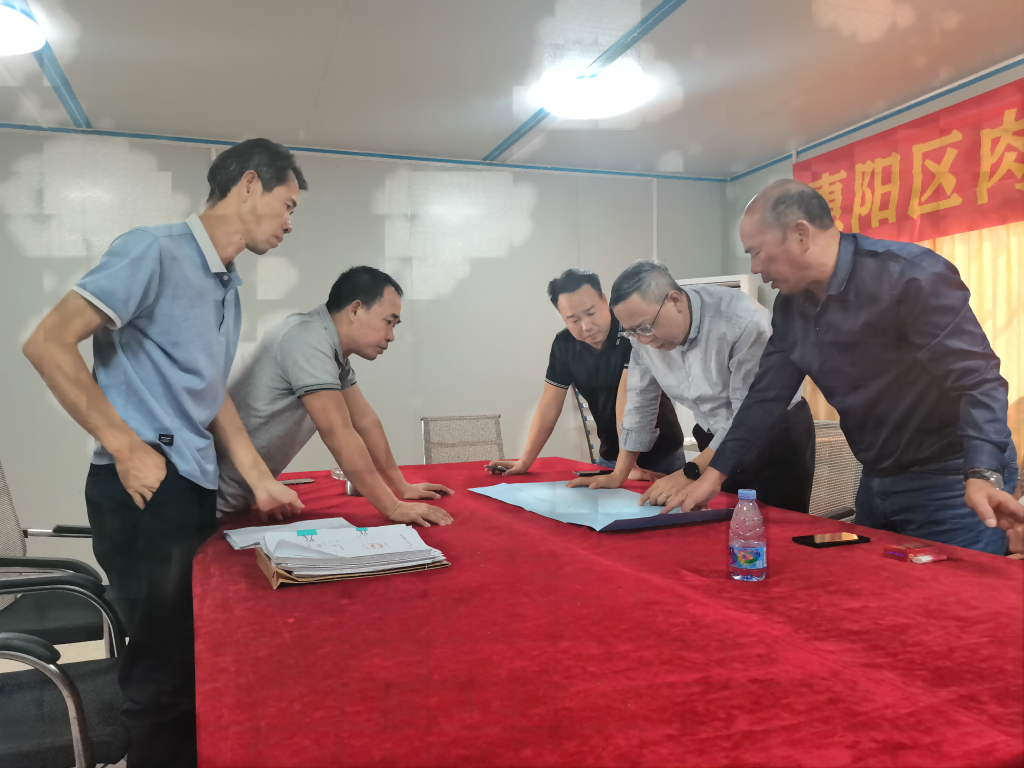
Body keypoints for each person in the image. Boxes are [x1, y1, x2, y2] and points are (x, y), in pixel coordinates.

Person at [22, 138, 308, 767]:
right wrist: (126, 447)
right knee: (162, 673)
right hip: (145, 488)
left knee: (193, 656)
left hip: (189, 485)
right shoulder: (152, 249)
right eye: (288, 204)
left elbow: (209, 393)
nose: (290, 222)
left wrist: (259, 478)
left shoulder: (226, 285)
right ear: (250, 184)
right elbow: (48, 342)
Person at [673, 179, 1022, 555]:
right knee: (867, 584)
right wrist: (715, 474)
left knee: (954, 591)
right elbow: (766, 396)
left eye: (758, 252)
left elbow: (978, 380)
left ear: (801, 234)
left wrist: (982, 471)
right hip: (875, 477)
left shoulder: (910, 275)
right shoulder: (792, 307)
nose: (756, 268)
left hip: (952, 481)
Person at [569, 260, 815, 514]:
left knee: (775, 529)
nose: (642, 339)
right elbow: (640, 401)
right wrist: (619, 473)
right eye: (631, 332)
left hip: (773, 440)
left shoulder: (741, 320)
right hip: (714, 441)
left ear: (675, 300)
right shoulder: (641, 334)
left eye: (645, 327)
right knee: (717, 527)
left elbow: (749, 415)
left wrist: (689, 472)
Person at [217, 265, 454, 526]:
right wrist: (393, 506)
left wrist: (401, 487)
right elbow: (339, 433)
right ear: (355, 309)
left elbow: (365, 421)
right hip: (210, 501)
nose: (391, 336)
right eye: (388, 322)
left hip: (238, 500)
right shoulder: (306, 339)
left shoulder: (330, 350)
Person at [487, 269, 686, 479]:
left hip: (661, 454)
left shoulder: (631, 331)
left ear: (604, 301)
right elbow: (550, 404)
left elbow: (630, 399)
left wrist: (629, 467)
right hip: (610, 456)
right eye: (573, 320)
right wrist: (525, 461)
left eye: (591, 313)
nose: (586, 326)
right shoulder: (564, 344)